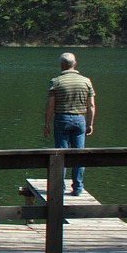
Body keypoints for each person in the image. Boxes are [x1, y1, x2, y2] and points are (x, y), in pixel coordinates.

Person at [43, 52, 95, 196]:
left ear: (61, 65)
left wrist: (46, 124)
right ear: (75, 64)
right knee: (79, 155)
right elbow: (90, 105)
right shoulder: (86, 81)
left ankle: (60, 188)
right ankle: (77, 188)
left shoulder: (56, 82)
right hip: (79, 120)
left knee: (60, 155)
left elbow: (50, 106)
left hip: (62, 119)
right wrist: (90, 123)